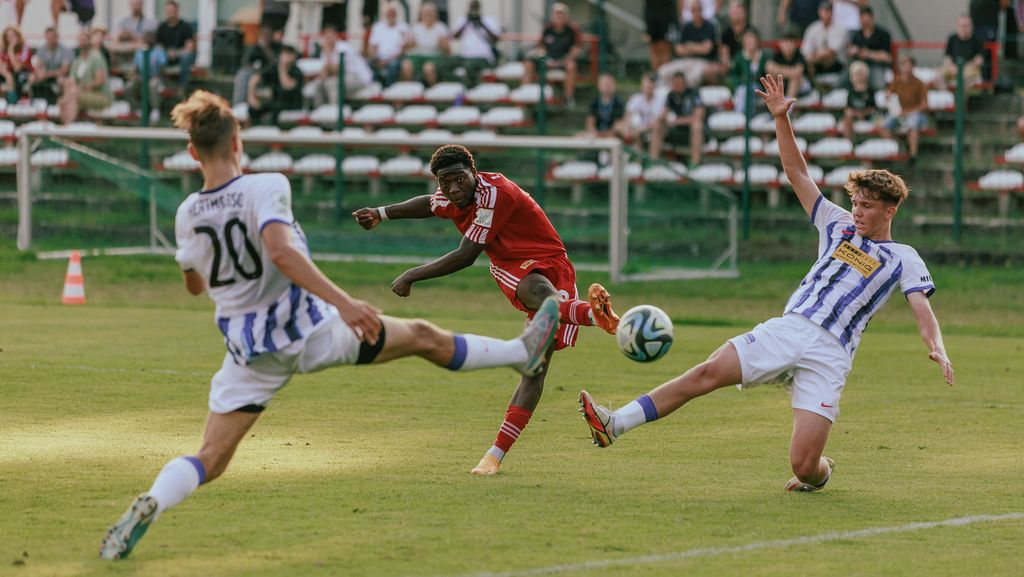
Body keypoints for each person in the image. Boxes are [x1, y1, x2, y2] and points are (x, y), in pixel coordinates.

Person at [98, 91, 560, 561]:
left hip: (249, 353)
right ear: (237, 141)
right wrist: (345, 303)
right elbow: (281, 251)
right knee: (422, 336)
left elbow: (195, 286)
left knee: (210, 459)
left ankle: (153, 500)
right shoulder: (266, 186)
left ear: (192, 152)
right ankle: (519, 352)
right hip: (312, 330)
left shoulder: (187, 213)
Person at [580, 73, 954, 494]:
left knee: (805, 465)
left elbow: (922, 309)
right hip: (790, 327)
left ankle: (822, 471)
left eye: (867, 206)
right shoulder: (837, 224)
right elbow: (796, 173)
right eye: (855, 203)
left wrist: (937, 347)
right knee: (706, 372)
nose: (857, 211)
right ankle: (616, 423)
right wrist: (780, 118)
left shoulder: (904, 257)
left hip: (831, 353)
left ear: (890, 210)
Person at [352, 144, 621, 476]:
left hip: (553, 264)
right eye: (445, 182)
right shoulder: (449, 195)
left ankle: (592, 316)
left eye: (459, 179)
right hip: (513, 267)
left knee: (535, 364)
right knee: (540, 316)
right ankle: (593, 316)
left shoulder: (495, 194)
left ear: (474, 173)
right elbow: (428, 204)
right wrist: (381, 213)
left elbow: (466, 255)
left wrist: (412, 275)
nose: (453, 189)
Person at [523, 3, 582, 107]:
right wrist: (545, 58)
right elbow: (541, 46)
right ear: (552, 16)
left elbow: (576, 48)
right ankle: (525, 96)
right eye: (557, 13)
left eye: (561, 13)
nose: (559, 16)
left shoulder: (572, 30)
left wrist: (564, 61)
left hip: (564, 62)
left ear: (566, 16)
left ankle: (568, 98)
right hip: (547, 61)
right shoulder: (547, 29)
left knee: (572, 66)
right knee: (528, 63)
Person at [305, 25, 373, 106]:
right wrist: (322, 76)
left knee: (332, 84)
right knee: (319, 84)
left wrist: (328, 55)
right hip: (343, 77)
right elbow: (324, 72)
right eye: (326, 37)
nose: (328, 40)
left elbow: (337, 70)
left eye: (330, 37)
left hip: (359, 77)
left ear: (336, 37)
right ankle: (320, 111)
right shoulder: (325, 50)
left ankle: (334, 111)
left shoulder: (343, 48)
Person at [659, 0, 722, 88]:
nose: (696, 13)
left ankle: (686, 94)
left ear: (701, 10)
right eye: (693, 10)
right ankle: (673, 93)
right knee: (663, 71)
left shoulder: (709, 26)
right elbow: (678, 49)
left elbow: (706, 49)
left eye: (698, 10)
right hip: (686, 60)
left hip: (703, 61)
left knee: (693, 78)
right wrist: (698, 46)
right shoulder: (686, 27)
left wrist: (689, 46)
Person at [882, 55, 928, 165]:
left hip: (914, 114)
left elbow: (924, 105)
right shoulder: (896, 82)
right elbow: (889, 96)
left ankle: (912, 155)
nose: (907, 69)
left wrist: (908, 112)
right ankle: (896, 147)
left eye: (909, 66)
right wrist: (888, 97)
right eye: (904, 66)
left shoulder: (920, 84)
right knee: (884, 125)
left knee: (913, 124)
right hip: (899, 114)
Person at [59, 30, 111, 124]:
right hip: (83, 93)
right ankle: (66, 126)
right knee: (63, 100)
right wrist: (66, 95)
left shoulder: (96, 57)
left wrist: (81, 89)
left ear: (90, 41)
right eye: (81, 40)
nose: (82, 42)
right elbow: (71, 81)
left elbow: (100, 80)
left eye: (85, 39)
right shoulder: (77, 61)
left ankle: (68, 125)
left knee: (74, 96)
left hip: (101, 95)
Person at [247, 45, 304, 125]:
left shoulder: (297, 72)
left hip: (290, 104)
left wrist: (282, 68)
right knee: (253, 109)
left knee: (279, 101)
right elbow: (254, 79)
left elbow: (287, 86)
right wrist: (251, 97)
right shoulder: (273, 68)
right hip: (274, 102)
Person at [660, 71, 705, 166]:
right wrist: (662, 119)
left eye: (679, 84)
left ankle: (695, 162)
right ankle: (653, 159)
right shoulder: (671, 95)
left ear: (685, 83)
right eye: (675, 84)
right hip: (677, 131)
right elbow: (664, 113)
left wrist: (677, 121)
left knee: (697, 126)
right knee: (658, 123)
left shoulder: (693, 94)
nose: (677, 86)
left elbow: (698, 117)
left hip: (691, 131)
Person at [451, 0, 500, 85]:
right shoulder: (463, 21)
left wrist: (481, 23)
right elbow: (455, 36)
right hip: (464, 57)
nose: (474, 10)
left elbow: (496, 38)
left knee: (469, 65)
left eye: (475, 8)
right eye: (472, 8)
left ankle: (471, 87)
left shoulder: (488, 20)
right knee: (450, 62)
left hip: (483, 58)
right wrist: (467, 21)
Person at [401, 1, 450, 86]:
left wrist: (442, 45)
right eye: (425, 14)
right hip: (418, 56)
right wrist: (410, 44)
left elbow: (448, 51)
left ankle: (432, 90)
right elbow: (407, 48)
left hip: (435, 56)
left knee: (428, 68)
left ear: (435, 15)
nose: (428, 16)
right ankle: (410, 90)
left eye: (430, 14)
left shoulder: (441, 28)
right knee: (406, 66)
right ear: (421, 15)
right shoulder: (416, 27)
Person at [800, 0, 848, 83]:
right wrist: (811, 59)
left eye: (828, 10)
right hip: (817, 66)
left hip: (836, 65)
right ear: (819, 11)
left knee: (830, 59)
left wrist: (814, 57)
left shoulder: (840, 29)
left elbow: (831, 53)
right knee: (804, 65)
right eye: (823, 10)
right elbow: (805, 52)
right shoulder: (812, 28)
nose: (825, 13)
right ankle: (813, 84)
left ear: (832, 12)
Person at [232, 24, 280, 105]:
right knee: (243, 74)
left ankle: (240, 104)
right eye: (264, 34)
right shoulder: (256, 47)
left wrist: (265, 48)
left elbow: (274, 63)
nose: (266, 37)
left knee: (245, 75)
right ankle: (239, 106)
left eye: (268, 34)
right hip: (256, 73)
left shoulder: (276, 47)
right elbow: (246, 63)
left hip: (270, 75)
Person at [847, 6, 892, 91]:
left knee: (878, 83)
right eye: (862, 22)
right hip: (859, 64)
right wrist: (853, 51)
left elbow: (887, 57)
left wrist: (870, 54)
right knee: (847, 77)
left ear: (872, 18)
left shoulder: (883, 34)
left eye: (867, 21)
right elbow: (851, 51)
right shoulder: (857, 35)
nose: (865, 24)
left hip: (876, 64)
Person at [157, 0, 196, 94]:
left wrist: (176, 53)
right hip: (166, 55)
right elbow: (159, 46)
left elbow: (189, 47)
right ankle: (160, 85)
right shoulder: (161, 27)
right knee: (156, 55)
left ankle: (182, 88)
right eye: (168, 11)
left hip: (181, 55)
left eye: (172, 11)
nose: (170, 13)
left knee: (186, 57)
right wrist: (166, 53)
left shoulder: (186, 26)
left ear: (177, 11)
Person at [367, 2, 411, 85]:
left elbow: (404, 48)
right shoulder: (377, 27)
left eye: (393, 13)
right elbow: (372, 46)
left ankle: (389, 89)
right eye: (389, 13)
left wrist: (388, 60)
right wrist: (375, 58)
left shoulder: (403, 27)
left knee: (393, 66)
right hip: (379, 58)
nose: (391, 15)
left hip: (395, 59)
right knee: (366, 65)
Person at [625, 72, 666, 158]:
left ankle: (653, 158)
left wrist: (641, 129)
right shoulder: (635, 99)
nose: (648, 85)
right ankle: (637, 159)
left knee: (657, 127)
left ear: (654, 86)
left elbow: (658, 121)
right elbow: (628, 117)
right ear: (642, 85)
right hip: (638, 129)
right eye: (646, 83)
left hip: (652, 129)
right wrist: (629, 129)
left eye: (651, 83)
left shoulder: (660, 100)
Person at [729, 27, 769, 113]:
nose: (750, 41)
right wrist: (740, 81)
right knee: (743, 92)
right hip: (742, 87)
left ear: (757, 41)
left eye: (752, 39)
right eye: (748, 39)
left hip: (758, 88)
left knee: (750, 90)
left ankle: (749, 116)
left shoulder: (763, 56)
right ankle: (741, 116)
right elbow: (733, 75)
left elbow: (767, 74)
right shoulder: (739, 56)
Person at [30, 27, 74, 103]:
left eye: (53, 37)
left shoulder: (65, 50)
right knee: (32, 78)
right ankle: (33, 102)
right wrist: (39, 73)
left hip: (59, 75)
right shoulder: (41, 49)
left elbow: (65, 70)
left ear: (57, 37)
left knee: (61, 80)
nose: (50, 40)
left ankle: (60, 102)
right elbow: (38, 65)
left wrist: (47, 74)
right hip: (45, 74)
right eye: (48, 38)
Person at [131, 31, 167, 122]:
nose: (148, 41)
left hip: (155, 77)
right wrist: (135, 77)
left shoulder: (159, 51)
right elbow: (136, 68)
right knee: (129, 86)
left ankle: (155, 110)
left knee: (153, 85)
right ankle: (137, 108)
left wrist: (160, 80)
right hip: (141, 76)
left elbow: (163, 68)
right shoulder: (139, 51)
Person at [940, 15, 985, 89]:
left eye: (967, 26)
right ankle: (946, 95)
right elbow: (947, 57)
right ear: (957, 26)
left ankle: (959, 97)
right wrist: (951, 67)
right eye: (962, 26)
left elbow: (979, 61)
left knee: (965, 81)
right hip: (952, 69)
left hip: (969, 71)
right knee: (938, 78)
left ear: (971, 26)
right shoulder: (952, 39)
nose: (964, 29)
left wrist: (962, 69)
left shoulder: (977, 40)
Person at [767, 32, 809, 99]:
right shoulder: (777, 54)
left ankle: (789, 103)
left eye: (791, 43)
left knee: (795, 78)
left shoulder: (799, 55)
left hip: (802, 86)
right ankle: (775, 99)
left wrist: (779, 70)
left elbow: (797, 72)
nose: (788, 46)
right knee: (771, 76)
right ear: (780, 44)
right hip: (784, 83)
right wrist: (789, 72)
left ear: (795, 45)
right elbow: (769, 67)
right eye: (786, 42)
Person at [585, 73, 626, 138]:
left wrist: (606, 134)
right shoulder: (594, 103)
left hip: (612, 135)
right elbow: (590, 123)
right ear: (599, 86)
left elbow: (618, 125)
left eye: (610, 85)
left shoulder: (619, 104)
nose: (607, 88)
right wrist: (594, 132)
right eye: (605, 85)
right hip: (595, 134)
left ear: (614, 87)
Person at [842, 60, 875, 139]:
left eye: (861, 74)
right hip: (854, 118)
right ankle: (849, 141)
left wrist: (862, 114)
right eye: (856, 74)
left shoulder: (870, 91)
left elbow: (873, 109)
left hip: (867, 118)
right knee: (847, 118)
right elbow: (848, 108)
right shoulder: (851, 92)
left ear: (866, 75)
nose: (859, 77)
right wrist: (855, 113)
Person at [0, 26, 32, 103]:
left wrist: (10, 50)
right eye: (8, 36)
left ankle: (14, 101)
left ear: (18, 36)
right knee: (8, 76)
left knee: (14, 77)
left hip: (24, 73)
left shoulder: (25, 48)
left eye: (12, 35)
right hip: (10, 75)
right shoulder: (3, 49)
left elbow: (17, 68)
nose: (10, 38)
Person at [645, 0, 678, 71]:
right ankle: (656, 74)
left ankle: (665, 73)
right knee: (654, 49)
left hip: (666, 17)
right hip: (652, 18)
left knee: (665, 48)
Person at [719, 0, 750, 71]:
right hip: (732, 67)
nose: (737, 13)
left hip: (748, 67)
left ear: (745, 12)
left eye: (739, 10)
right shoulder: (726, 34)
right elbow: (725, 57)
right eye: (734, 11)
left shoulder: (750, 31)